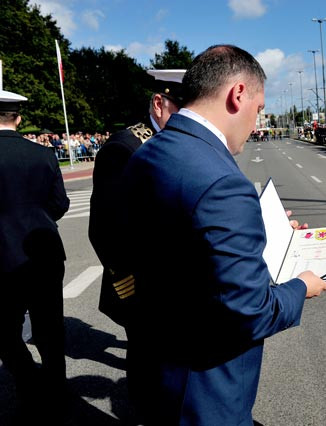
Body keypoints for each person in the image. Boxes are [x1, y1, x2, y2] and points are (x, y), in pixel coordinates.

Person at [123, 45, 326, 425]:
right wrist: (302, 286)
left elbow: (183, 240)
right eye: (260, 107)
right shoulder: (222, 182)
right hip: (204, 387)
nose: (257, 121)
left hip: (158, 363)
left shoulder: (149, 153)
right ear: (238, 95)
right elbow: (251, 312)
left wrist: (255, 230)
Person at [88, 69, 185, 418]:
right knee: (148, 366)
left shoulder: (179, 143)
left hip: (180, 282)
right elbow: (105, 229)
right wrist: (130, 286)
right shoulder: (125, 148)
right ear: (159, 104)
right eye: (180, 107)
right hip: (143, 285)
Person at [0, 89, 70, 422]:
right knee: (50, 330)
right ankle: (56, 393)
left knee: (5, 333)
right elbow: (60, 204)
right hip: (43, 254)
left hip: (2, 258)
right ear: (19, 118)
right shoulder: (43, 154)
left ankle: (28, 383)